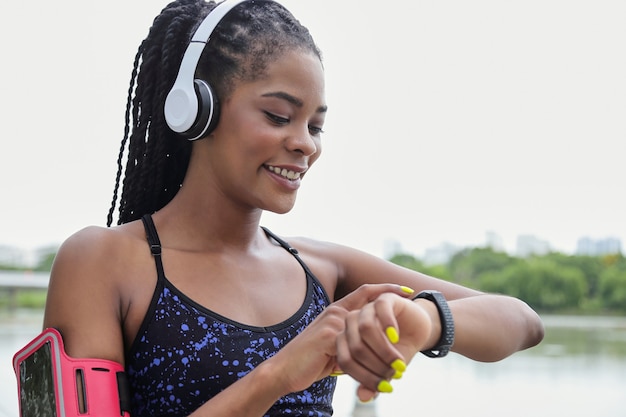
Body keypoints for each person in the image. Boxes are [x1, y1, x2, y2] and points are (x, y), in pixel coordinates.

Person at [42, 0, 544, 416]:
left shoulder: (322, 269)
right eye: (279, 115)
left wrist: (425, 321)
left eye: (316, 126)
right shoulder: (105, 261)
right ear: (196, 108)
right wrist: (280, 374)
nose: (305, 144)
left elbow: (522, 322)